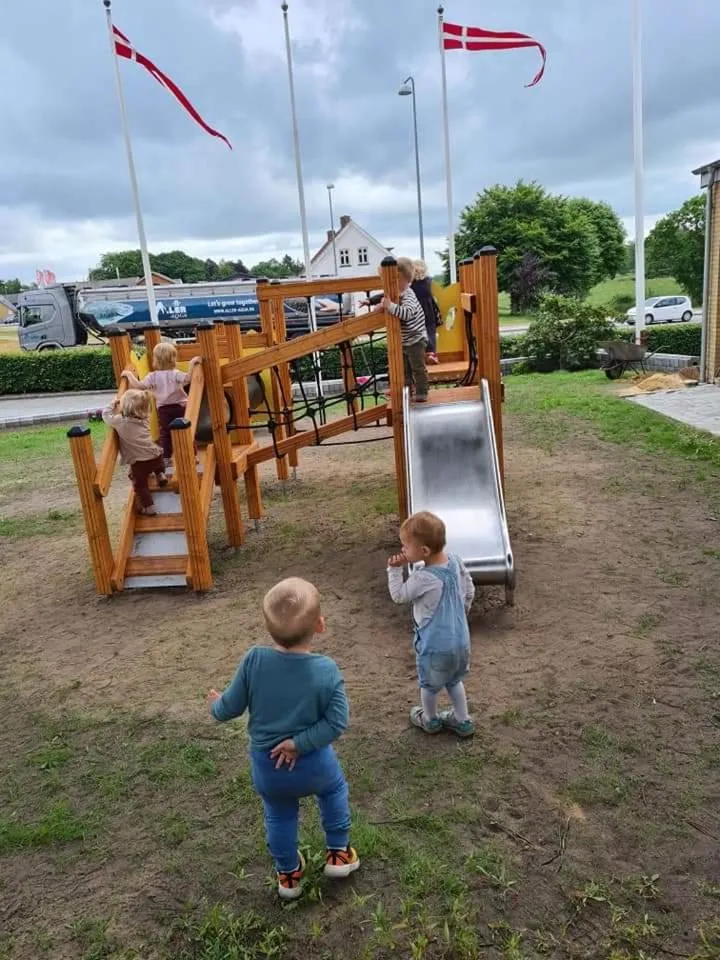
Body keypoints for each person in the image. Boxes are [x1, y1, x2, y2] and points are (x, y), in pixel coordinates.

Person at [207, 577, 359, 901]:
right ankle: (338, 853)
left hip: (268, 766)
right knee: (333, 790)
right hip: (314, 762)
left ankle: (288, 875)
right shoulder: (327, 670)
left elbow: (230, 707)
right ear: (320, 625)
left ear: (268, 627)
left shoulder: (253, 661)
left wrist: (216, 705)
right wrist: (300, 743)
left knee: (279, 813)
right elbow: (337, 722)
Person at [387, 511, 476, 737]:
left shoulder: (422, 578)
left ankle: (430, 719)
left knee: (429, 684)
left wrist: (395, 570)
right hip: (461, 640)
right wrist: (462, 613)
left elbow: (399, 596)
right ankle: (463, 720)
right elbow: (470, 589)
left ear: (424, 551)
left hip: (435, 645)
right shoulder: (455, 561)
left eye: (405, 546)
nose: (403, 550)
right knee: (454, 680)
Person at [123, 343, 201, 465]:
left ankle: (166, 458)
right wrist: (192, 364)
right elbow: (187, 379)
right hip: (181, 407)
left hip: (164, 409)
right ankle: (193, 456)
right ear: (173, 359)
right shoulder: (175, 373)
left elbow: (139, 386)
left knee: (166, 433)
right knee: (187, 431)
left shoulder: (152, 376)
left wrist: (129, 375)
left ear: (156, 360)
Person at [366, 256, 429, 403]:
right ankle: (406, 391)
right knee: (404, 369)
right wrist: (369, 301)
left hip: (416, 339)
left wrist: (390, 307)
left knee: (418, 367)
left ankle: (422, 391)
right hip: (404, 340)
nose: (388, 285)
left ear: (404, 280)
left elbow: (407, 314)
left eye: (393, 281)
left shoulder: (409, 296)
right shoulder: (397, 292)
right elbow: (383, 296)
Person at [102, 389, 167, 516]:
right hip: (155, 456)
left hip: (140, 462)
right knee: (157, 462)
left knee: (140, 485)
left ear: (125, 406)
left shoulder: (121, 421)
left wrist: (112, 404)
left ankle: (150, 508)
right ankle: (160, 475)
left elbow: (106, 417)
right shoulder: (145, 419)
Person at [411, 259, 441, 365]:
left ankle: (420, 355)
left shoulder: (411, 284)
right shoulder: (429, 281)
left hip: (416, 310)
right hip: (429, 310)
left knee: (417, 332)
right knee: (430, 331)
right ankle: (431, 354)